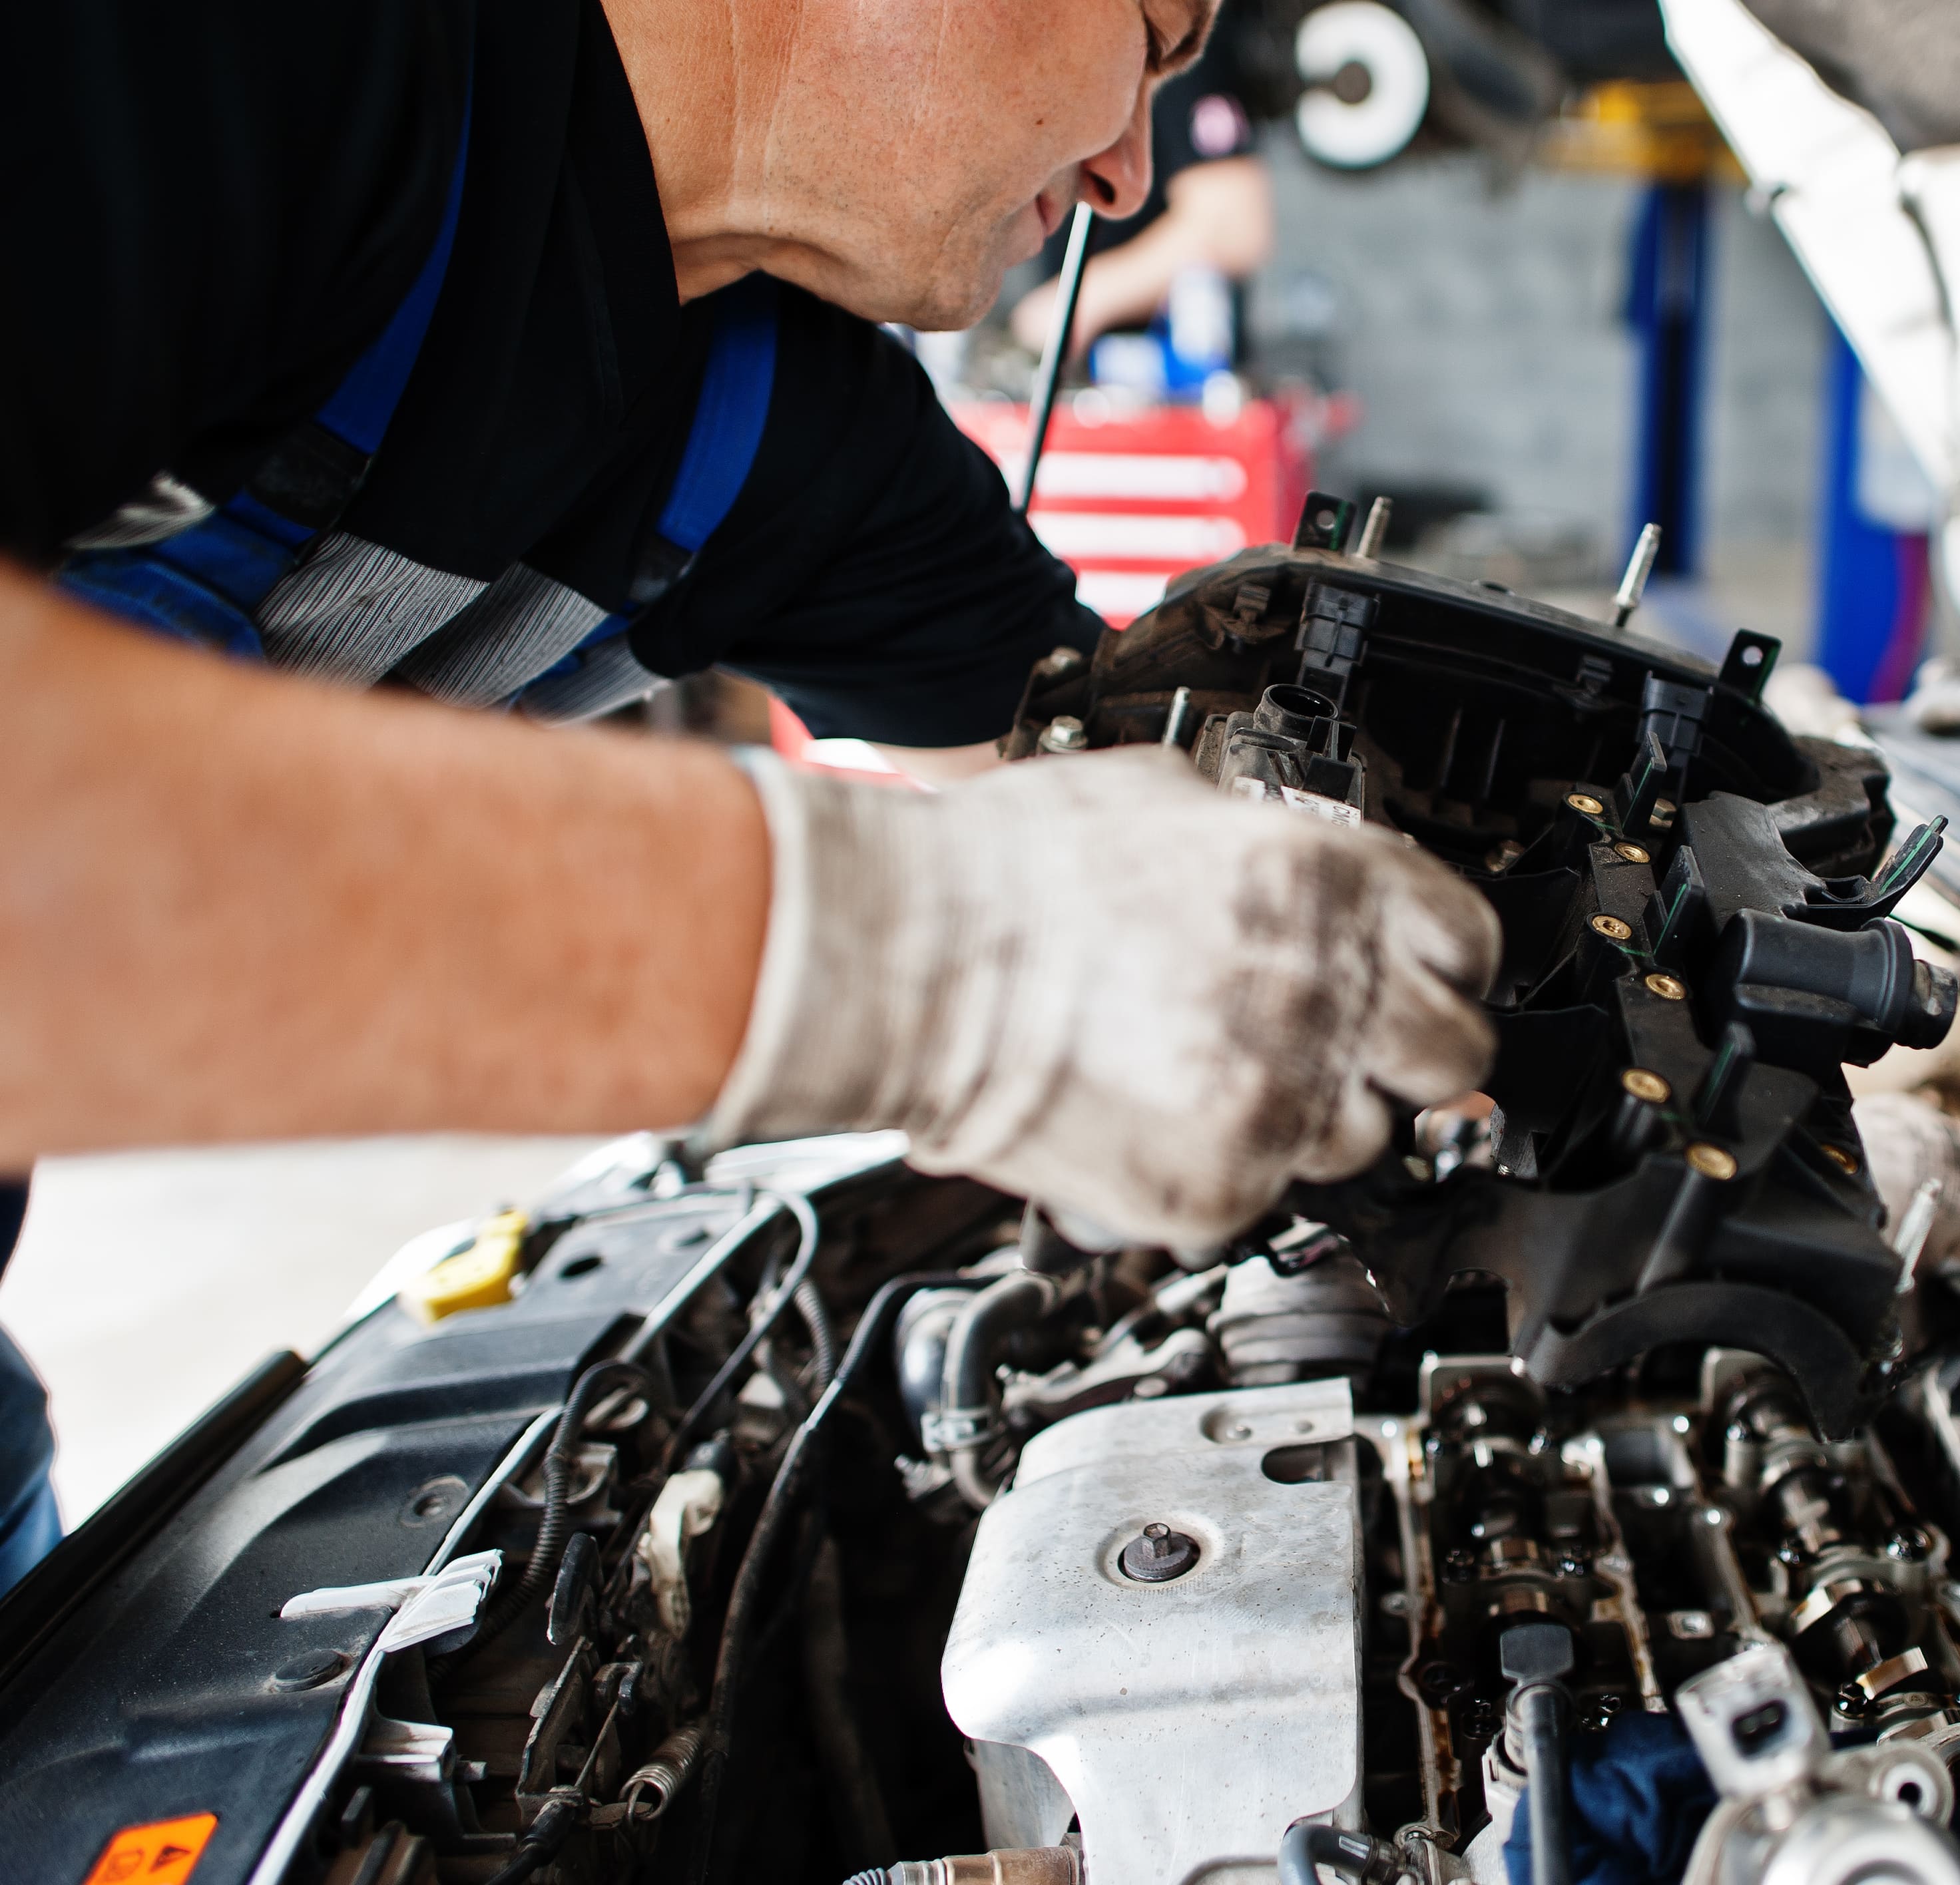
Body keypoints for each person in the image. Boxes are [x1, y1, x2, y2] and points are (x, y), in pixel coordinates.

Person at [0, 0, 1499, 1586]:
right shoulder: (214, 63)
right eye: (1153, 36)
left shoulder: (784, 431)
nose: (1130, 175)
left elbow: (1158, 809)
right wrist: (912, 961)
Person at [1010, 22, 1275, 365]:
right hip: (1090, 379)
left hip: (1169, 380)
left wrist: (1078, 302)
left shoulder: (1173, 30)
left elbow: (1233, 225)